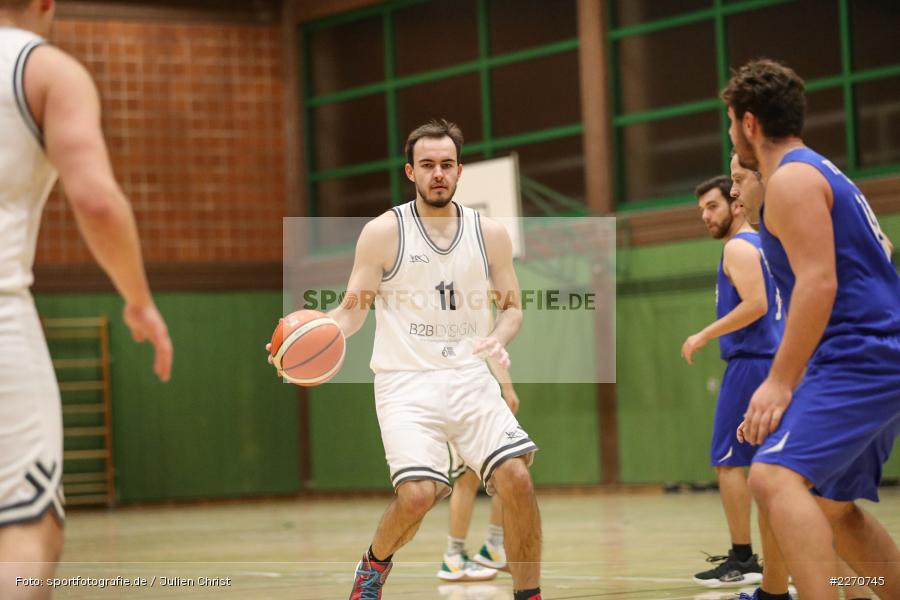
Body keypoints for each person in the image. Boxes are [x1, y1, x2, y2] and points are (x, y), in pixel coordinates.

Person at [271, 119, 542, 600]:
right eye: (427, 165)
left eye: (446, 165)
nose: (437, 173)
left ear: (460, 171)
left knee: (516, 478)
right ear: (410, 172)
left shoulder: (490, 233)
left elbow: (513, 308)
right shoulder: (383, 232)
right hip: (405, 383)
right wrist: (310, 332)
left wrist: (500, 336)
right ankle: (374, 566)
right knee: (418, 495)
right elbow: (353, 312)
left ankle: (529, 596)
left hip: (468, 377)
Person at [0, 1, 173, 598]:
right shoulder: (45, 71)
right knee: (27, 523)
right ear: (45, 3)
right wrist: (138, 300)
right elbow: (96, 201)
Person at [724, 58, 900, 600]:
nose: (731, 133)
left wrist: (779, 381)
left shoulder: (794, 180)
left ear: (749, 123)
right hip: (867, 350)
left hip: (861, 352)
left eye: (731, 122)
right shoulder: (817, 171)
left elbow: (819, 284)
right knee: (834, 509)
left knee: (770, 477)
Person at [681, 168, 781, 592]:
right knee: (771, 468)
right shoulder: (763, 245)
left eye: (713, 206)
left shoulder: (739, 249)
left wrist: (704, 333)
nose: (705, 215)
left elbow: (757, 304)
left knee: (729, 463)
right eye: (701, 209)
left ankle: (744, 557)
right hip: (771, 362)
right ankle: (780, 563)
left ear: (736, 204)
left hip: (750, 364)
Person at [438, 358, 519, 582]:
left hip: (479, 395)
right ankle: (454, 556)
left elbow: (491, 344)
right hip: (456, 398)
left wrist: (506, 387)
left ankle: (494, 546)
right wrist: (507, 388)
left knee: (509, 463)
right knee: (467, 476)